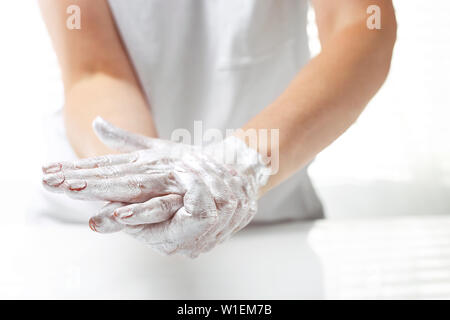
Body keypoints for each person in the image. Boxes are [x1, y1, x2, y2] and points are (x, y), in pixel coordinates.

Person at [39, 0, 397, 257]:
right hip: (99, 238)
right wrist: (143, 175)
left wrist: (245, 163)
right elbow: (94, 68)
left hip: (271, 235)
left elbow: (362, 27)